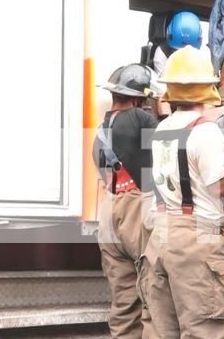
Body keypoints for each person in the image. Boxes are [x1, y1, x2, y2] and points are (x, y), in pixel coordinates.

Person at [139, 45, 224, 338]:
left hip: (160, 237)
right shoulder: (205, 131)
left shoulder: (162, 129)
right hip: (196, 240)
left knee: (161, 330)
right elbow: (220, 184)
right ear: (208, 86)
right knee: (207, 330)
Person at [92, 63, 159, 339]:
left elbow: (101, 168)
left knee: (123, 301)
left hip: (109, 210)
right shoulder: (142, 120)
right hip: (136, 209)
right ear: (138, 99)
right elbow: (170, 151)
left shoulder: (101, 129)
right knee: (154, 293)